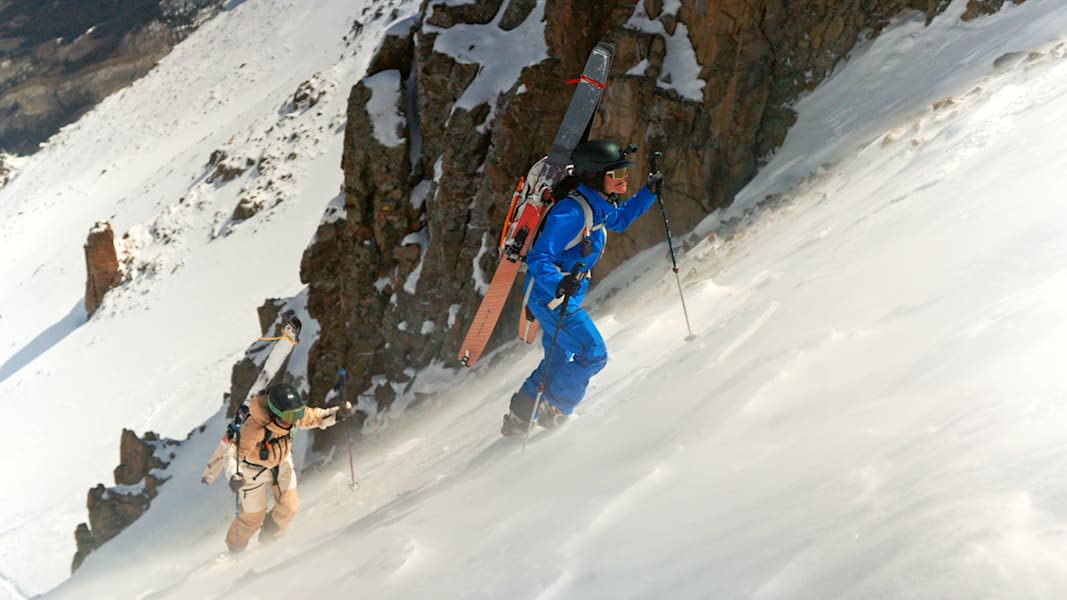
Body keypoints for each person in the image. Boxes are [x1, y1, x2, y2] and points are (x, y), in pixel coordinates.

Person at [501, 139, 663, 436]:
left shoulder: (597, 205)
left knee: (559, 357)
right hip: (554, 299)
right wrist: (559, 283)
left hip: (561, 296)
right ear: (594, 175)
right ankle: (556, 407)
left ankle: (519, 417)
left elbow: (620, 220)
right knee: (593, 352)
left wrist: (649, 192)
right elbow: (540, 257)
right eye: (616, 175)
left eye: (624, 172)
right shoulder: (572, 212)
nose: (623, 179)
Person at [224, 383, 352, 552]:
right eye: (289, 416)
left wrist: (337, 413)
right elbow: (233, 453)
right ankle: (235, 549)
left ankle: (270, 537)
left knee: (289, 507)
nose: (294, 420)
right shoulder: (254, 428)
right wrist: (234, 475)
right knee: (253, 516)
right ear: (276, 413)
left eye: (297, 414)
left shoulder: (293, 415)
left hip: (281, 463)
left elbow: (315, 416)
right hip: (253, 471)